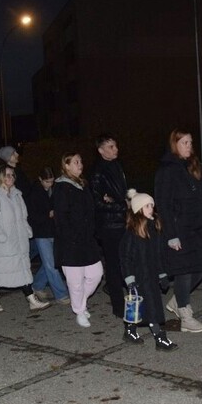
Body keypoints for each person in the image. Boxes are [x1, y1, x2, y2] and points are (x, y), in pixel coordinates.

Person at [154, 129, 202, 333]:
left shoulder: (194, 165)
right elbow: (163, 203)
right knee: (184, 271)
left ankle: (176, 300)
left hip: (199, 227)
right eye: (184, 143)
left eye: (190, 142)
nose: (189, 146)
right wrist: (171, 234)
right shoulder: (167, 169)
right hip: (179, 229)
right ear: (174, 145)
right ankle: (185, 315)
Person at [0, 164, 50, 313]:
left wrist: (27, 230)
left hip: (18, 241)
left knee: (23, 271)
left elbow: (23, 217)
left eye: (12, 175)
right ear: (0, 176)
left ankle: (31, 299)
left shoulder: (17, 196)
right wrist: (1, 237)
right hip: (1, 244)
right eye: (7, 175)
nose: (11, 177)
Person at [119, 188, 177, 350]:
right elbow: (125, 257)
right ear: (138, 210)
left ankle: (129, 330)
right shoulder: (132, 233)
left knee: (142, 307)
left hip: (151, 276)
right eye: (147, 206)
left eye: (152, 205)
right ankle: (160, 338)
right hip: (138, 277)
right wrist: (129, 279)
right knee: (151, 308)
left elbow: (158, 255)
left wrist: (162, 274)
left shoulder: (154, 229)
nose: (151, 208)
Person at [53, 152, 103, 328]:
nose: (80, 164)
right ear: (66, 166)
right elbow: (61, 217)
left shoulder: (82, 184)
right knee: (75, 282)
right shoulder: (61, 187)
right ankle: (80, 311)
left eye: (81, 161)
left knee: (96, 274)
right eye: (76, 162)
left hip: (87, 240)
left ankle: (80, 303)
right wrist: (71, 237)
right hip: (70, 243)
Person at [89, 134, 129, 319]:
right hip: (108, 226)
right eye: (111, 147)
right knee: (113, 264)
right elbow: (98, 202)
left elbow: (120, 193)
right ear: (101, 150)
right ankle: (118, 306)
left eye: (116, 145)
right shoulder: (97, 171)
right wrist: (121, 205)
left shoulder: (117, 166)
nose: (116, 149)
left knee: (125, 261)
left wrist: (125, 200)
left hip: (122, 221)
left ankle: (123, 293)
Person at [24, 167, 70, 305]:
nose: (49, 184)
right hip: (41, 233)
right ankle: (61, 294)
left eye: (51, 181)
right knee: (51, 265)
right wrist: (47, 215)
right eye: (47, 181)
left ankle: (37, 285)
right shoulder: (34, 193)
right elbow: (32, 216)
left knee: (51, 261)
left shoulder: (53, 190)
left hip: (53, 231)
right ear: (40, 179)